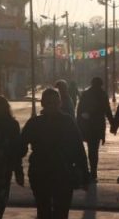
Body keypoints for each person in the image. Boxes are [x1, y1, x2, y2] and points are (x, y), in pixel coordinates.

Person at [20, 88, 89, 219]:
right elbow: (78, 150)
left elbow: (20, 148)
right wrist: (85, 175)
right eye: (49, 103)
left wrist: (17, 169)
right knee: (59, 211)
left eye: (53, 102)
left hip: (44, 172)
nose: (52, 106)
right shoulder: (67, 122)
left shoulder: (35, 123)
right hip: (60, 172)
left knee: (44, 210)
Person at [76, 77, 114, 182]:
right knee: (94, 150)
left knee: (89, 149)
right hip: (98, 126)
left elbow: (79, 110)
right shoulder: (103, 95)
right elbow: (108, 111)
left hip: (87, 125)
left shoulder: (86, 94)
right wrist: (113, 124)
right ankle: (93, 172)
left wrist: (78, 124)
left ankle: (89, 171)